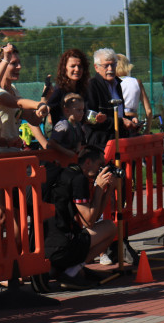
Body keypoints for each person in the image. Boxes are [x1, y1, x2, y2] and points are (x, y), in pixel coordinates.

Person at [44, 145, 117, 290]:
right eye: (100, 165)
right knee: (111, 227)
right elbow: (89, 221)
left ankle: (68, 269)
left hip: (45, 246)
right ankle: (72, 271)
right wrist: (99, 189)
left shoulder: (66, 174)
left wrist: (109, 190)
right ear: (88, 162)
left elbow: (93, 216)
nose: (101, 170)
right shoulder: (78, 180)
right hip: (61, 248)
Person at [0, 45, 49, 151]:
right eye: (13, 63)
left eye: (19, 62)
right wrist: (38, 105)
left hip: (13, 153)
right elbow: (16, 102)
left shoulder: (13, 89)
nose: (19, 66)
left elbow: (33, 120)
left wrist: (44, 99)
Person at [85, 48, 126, 147]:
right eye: (106, 66)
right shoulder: (91, 85)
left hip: (119, 138)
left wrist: (130, 120)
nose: (110, 69)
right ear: (96, 67)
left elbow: (119, 113)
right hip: (101, 143)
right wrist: (121, 122)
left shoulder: (117, 84)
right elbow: (90, 118)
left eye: (113, 64)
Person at [46, 49, 90, 125]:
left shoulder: (83, 89)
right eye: (73, 66)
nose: (77, 69)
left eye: (80, 66)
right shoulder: (58, 90)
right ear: (64, 68)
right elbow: (48, 114)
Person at [116, 53, 152, 132]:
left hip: (119, 122)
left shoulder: (113, 83)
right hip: (134, 121)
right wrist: (147, 130)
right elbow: (148, 111)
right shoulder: (137, 82)